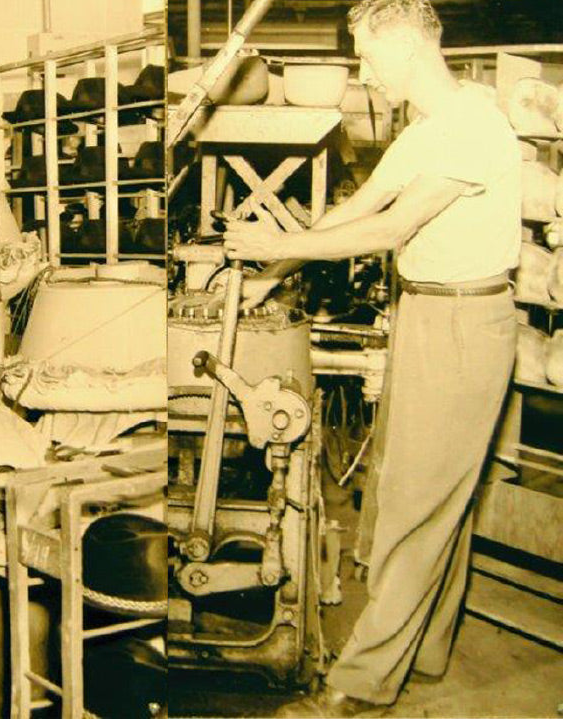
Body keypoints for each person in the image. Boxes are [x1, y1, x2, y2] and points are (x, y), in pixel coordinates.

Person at [223, 1, 521, 716]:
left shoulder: (472, 125)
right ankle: (422, 653)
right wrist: (272, 271)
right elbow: (363, 204)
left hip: (464, 318)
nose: (362, 72)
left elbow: (393, 225)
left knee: (416, 505)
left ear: (409, 50)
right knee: (421, 493)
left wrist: (278, 247)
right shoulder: (428, 130)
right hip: (426, 311)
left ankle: (356, 689)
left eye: (366, 57)